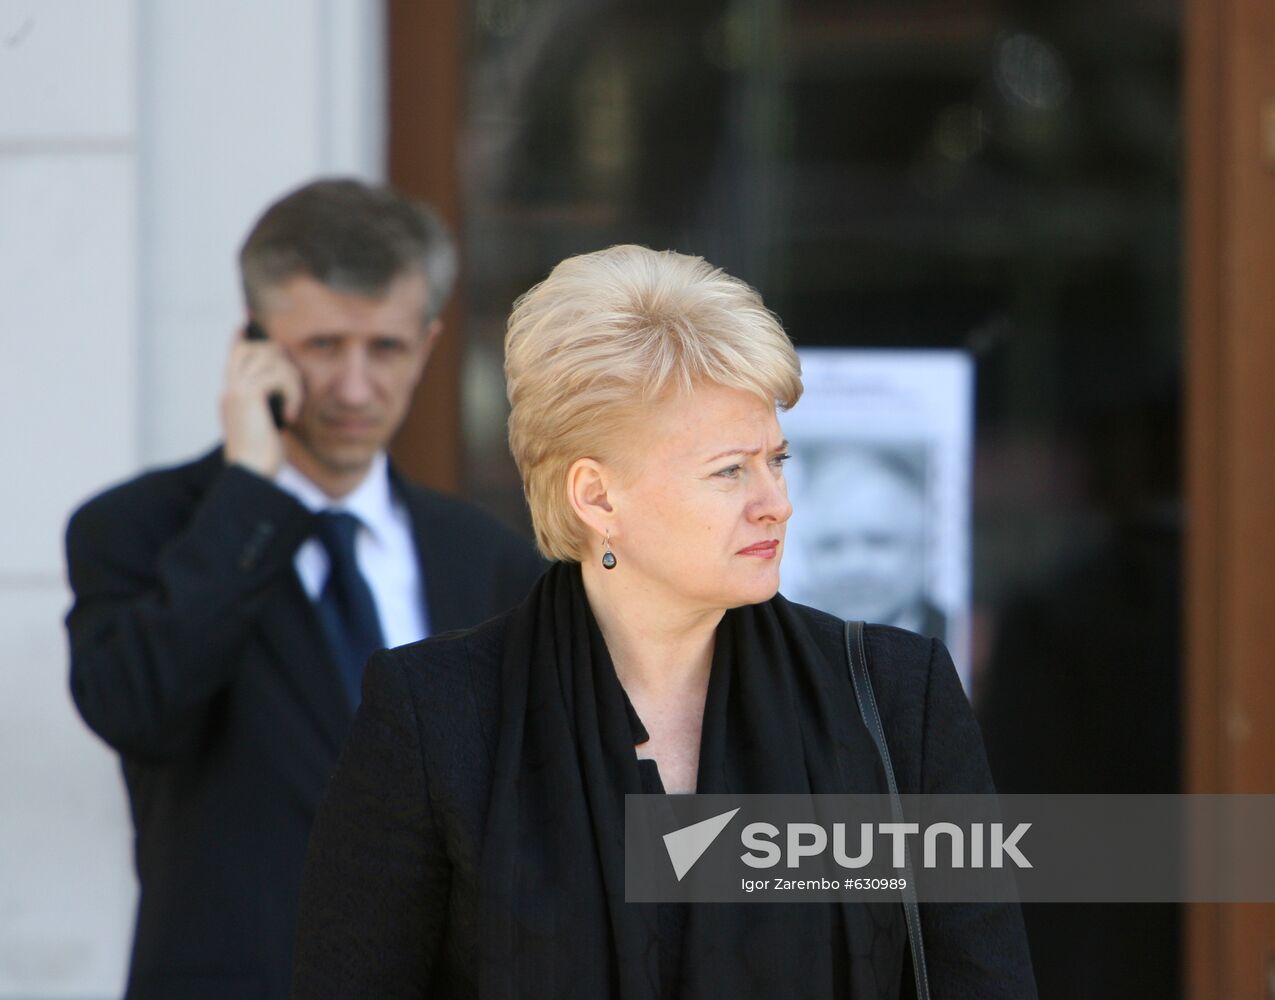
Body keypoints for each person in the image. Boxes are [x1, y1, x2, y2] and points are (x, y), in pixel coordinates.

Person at [290, 245, 1036, 998]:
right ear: (596, 498)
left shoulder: (896, 698)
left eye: (775, 460)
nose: (772, 501)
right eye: (728, 471)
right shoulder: (435, 717)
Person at [64, 178, 545, 1000]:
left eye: (385, 348)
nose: (355, 389)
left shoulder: (489, 558)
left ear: (428, 344)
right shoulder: (138, 530)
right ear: (252, 346)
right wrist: (250, 492)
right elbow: (137, 707)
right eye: (322, 347)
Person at [797, 443, 947, 640]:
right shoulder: (782, 647)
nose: (854, 565)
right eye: (830, 545)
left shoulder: (959, 635)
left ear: (923, 548)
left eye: (878, 541)